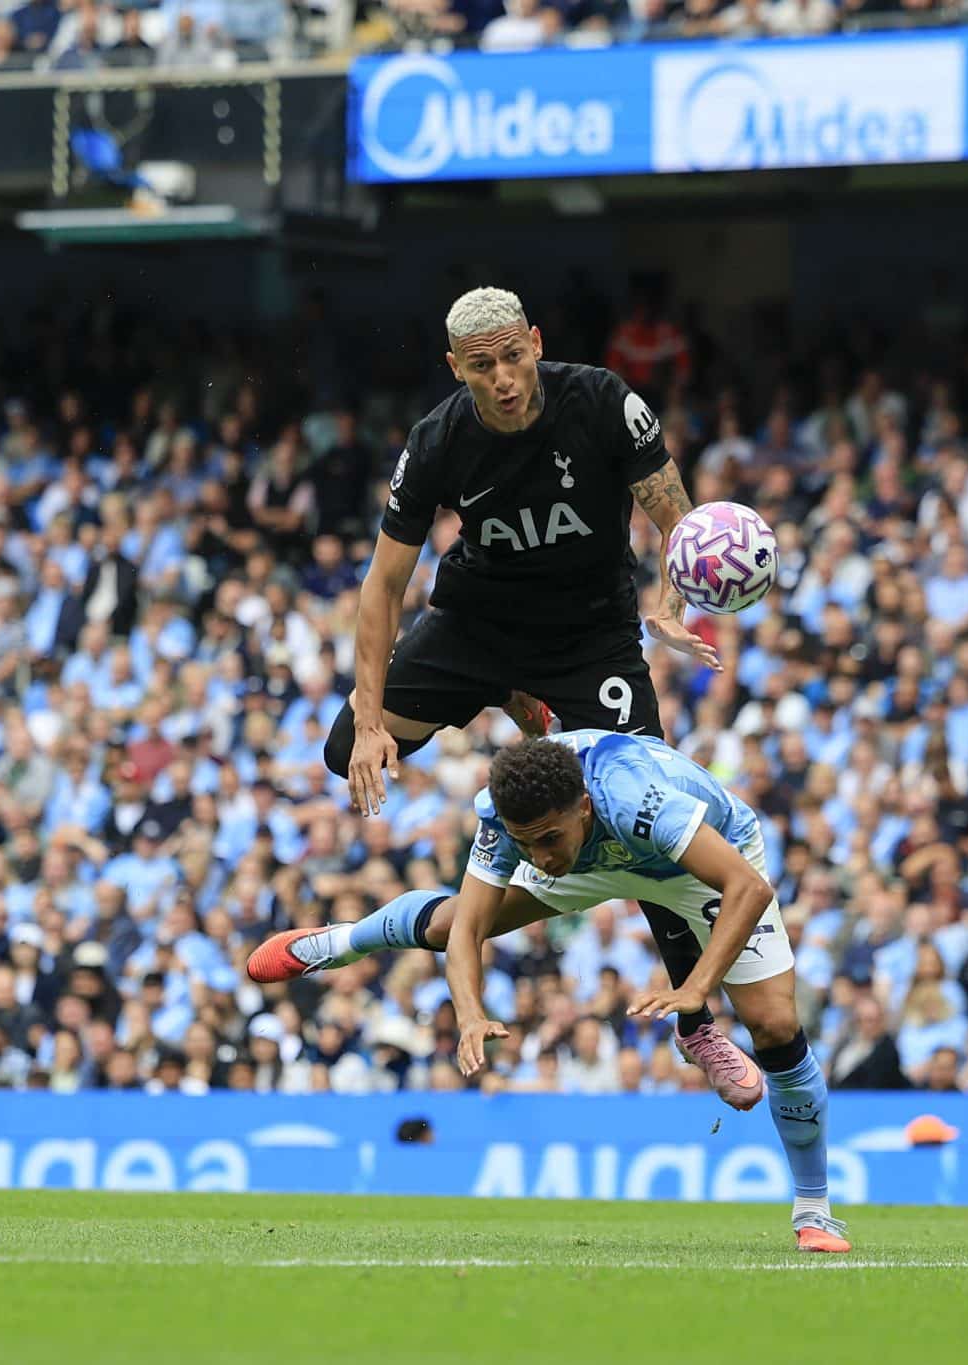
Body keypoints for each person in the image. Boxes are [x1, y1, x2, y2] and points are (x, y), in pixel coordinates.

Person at [321, 286, 750, 1104]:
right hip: (476, 626)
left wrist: (670, 598)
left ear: (536, 342)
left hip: (590, 640)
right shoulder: (438, 439)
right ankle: (508, 694)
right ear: (457, 369)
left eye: (515, 356)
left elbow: (678, 520)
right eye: (483, 367)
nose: (506, 377)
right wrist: (372, 719)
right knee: (346, 748)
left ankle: (698, 1028)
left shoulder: (602, 400)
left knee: (649, 820)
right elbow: (382, 586)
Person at [251, 731, 850, 1254]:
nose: (537, 856)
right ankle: (341, 943)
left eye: (545, 839)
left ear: (583, 806)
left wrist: (696, 989)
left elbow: (748, 888)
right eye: (524, 842)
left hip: (698, 865)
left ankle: (813, 1208)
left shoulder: (638, 801)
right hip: (593, 857)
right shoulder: (513, 817)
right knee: (445, 923)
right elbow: (469, 931)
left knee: (773, 1027)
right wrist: (469, 1014)